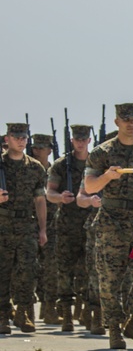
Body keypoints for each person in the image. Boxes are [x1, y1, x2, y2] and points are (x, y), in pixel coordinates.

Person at [84, 104, 133, 350]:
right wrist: (107, 176)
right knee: (109, 280)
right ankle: (114, 329)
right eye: (126, 119)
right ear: (117, 121)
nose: (131, 123)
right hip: (112, 221)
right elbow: (89, 187)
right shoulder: (101, 153)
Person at [47, 124, 100, 332]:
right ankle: (67, 314)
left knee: (89, 271)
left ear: (89, 140)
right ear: (72, 141)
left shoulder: (96, 162)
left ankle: (88, 310)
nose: (80, 142)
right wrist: (60, 197)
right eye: (76, 139)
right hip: (67, 224)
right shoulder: (61, 165)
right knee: (65, 270)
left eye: (83, 139)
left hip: (90, 224)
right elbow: (49, 193)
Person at [0, 122, 48, 334]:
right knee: (3, 271)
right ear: (7, 139)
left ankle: (23, 311)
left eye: (23, 137)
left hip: (26, 225)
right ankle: (2, 314)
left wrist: (42, 229)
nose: (20, 140)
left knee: (28, 270)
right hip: (2, 224)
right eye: (16, 136)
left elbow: (39, 200)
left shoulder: (35, 167)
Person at [29, 133, 60, 325]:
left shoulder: (56, 171)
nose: (37, 151)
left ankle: (49, 308)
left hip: (52, 224)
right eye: (35, 147)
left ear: (50, 150)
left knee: (51, 268)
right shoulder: (28, 169)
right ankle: (27, 309)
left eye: (42, 147)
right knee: (29, 268)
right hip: (27, 223)